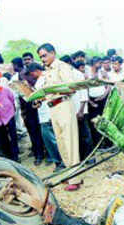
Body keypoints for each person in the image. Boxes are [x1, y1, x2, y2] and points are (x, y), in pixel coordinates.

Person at [37, 43, 82, 191]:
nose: (43, 59)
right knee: (62, 143)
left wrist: (52, 91)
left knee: (70, 142)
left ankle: (75, 178)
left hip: (63, 105)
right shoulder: (47, 71)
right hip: (53, 107)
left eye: (44, 55)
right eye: (40, 57)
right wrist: (39, 98)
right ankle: (69, 175)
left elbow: (71, 87)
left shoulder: (62, 67)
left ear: (53, 53)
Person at [28, 63, 65, 171]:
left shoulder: (47, 78)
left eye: (32, 74)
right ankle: (59, 162)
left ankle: (61, 162)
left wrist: (40, 99)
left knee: (52, 140)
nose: (32, 76)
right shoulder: (40, 80)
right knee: (50, 140)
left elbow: (50, 94)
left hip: (49, 113)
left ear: (36, 71)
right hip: (44, 113)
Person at [11, 57, 45, 166]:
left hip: (39, 108)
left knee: (40, 132)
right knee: (33, 132)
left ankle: (42, 153)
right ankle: (37, 153)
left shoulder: (34, 78)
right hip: (28, 110)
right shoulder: (17, 80)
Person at [0, 84, 20, 162]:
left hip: (9, 114)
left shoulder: (4, 89)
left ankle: (15, 156)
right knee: (3, 137)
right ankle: (8, 156)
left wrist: (13, 110)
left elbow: (12, 99)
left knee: (13, 136)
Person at [73, 61, 94, 162]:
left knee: (85, 135)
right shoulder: (70, 76)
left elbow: (84, 95)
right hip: (74, 111)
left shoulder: (79, 76)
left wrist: (80, 111)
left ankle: (90, 157)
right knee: (79, 135)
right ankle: (82, 157)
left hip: (81, 111)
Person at [87, 57, 110, 146]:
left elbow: (109, 85)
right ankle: (98, 144)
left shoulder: (103, 73)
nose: (101, 65)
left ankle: (107, 143)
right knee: (94, 122)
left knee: (104, 120)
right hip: (92, 101)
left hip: (103, 99)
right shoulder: (87, 74)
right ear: (94, 63)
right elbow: (85, 90)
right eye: (99, 63)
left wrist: (103, 96)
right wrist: (90, 101)